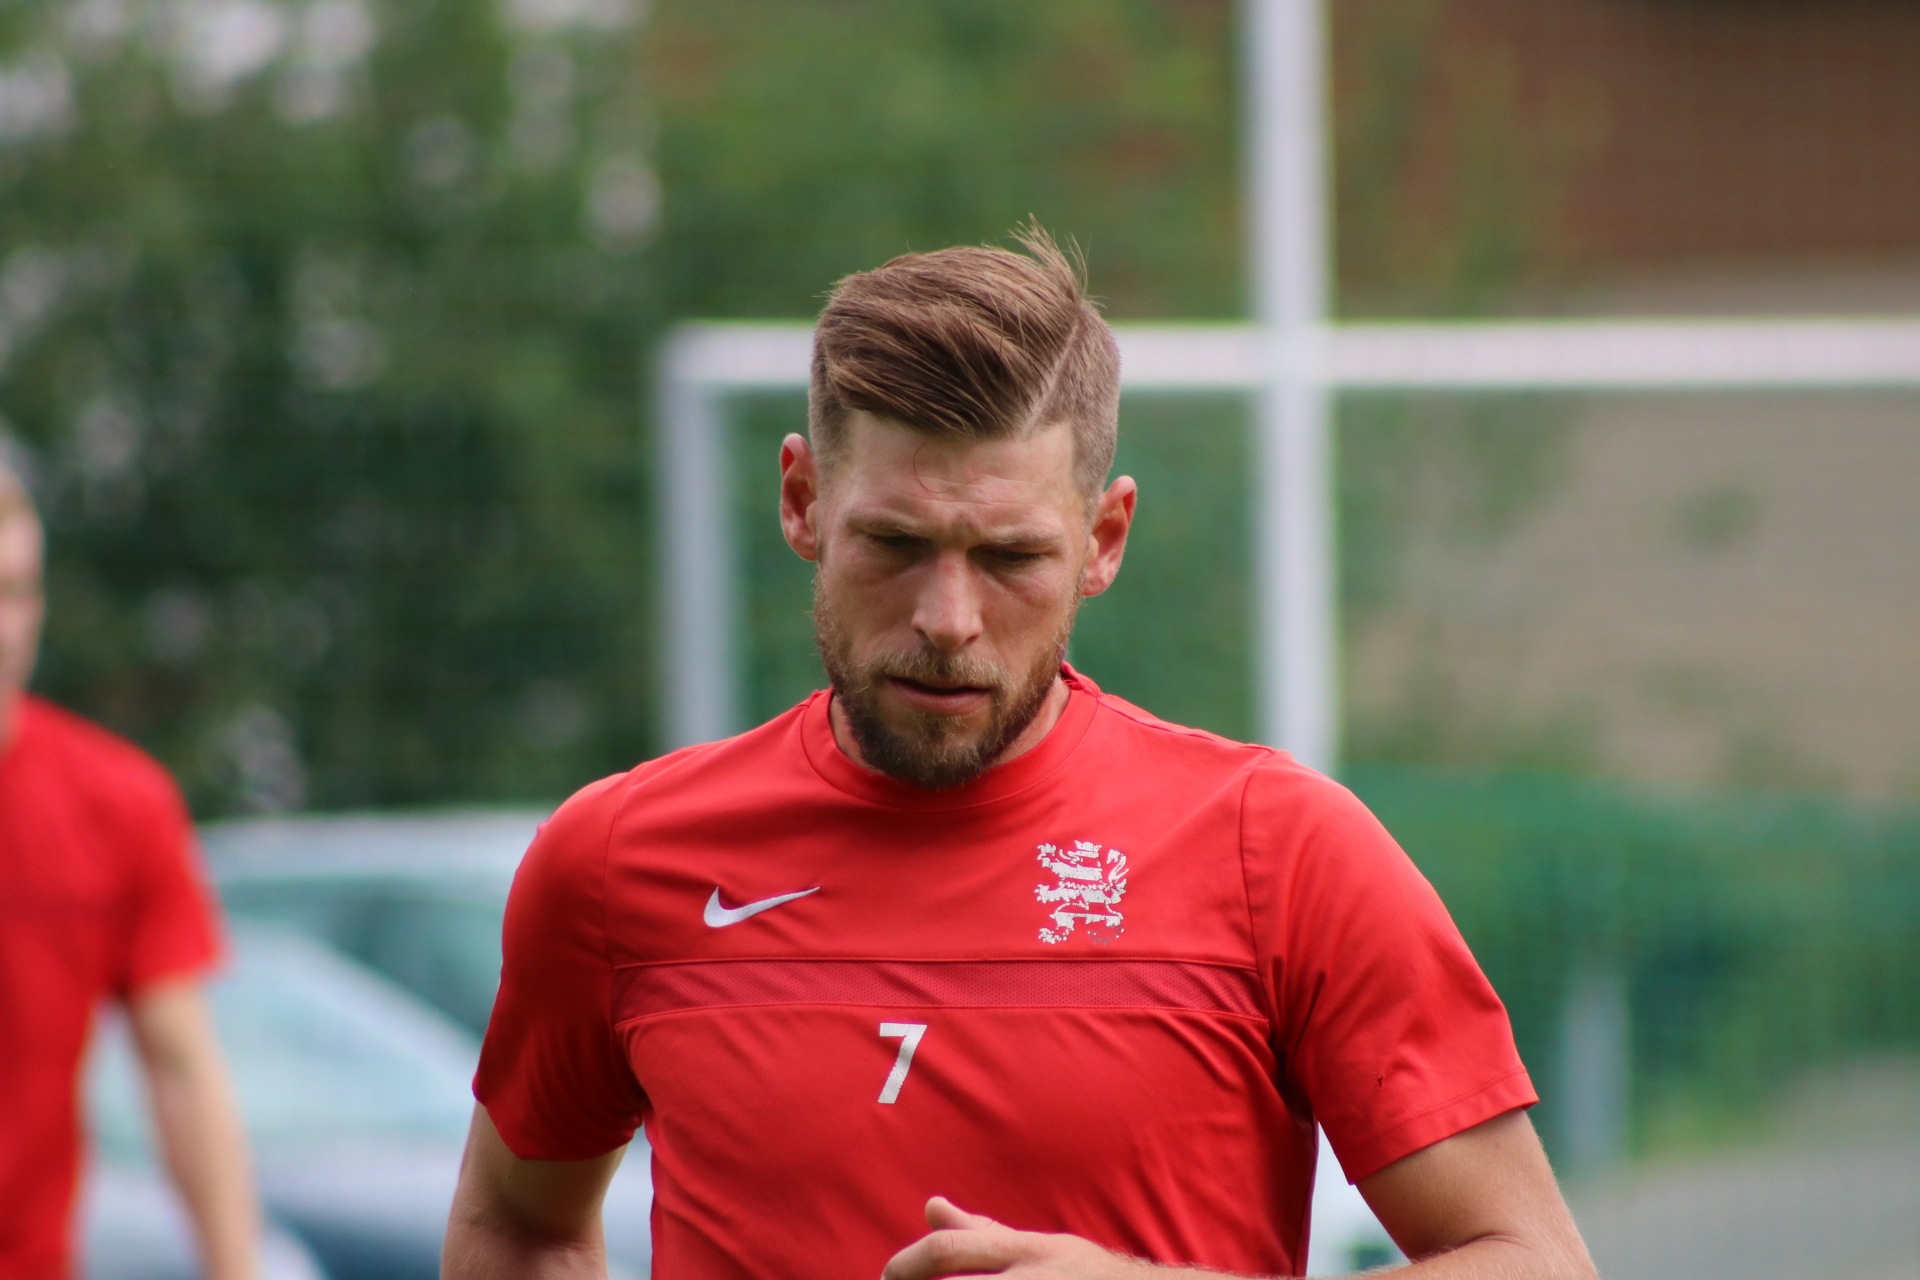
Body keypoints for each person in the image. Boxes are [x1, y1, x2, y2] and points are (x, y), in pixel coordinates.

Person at [445, 228, 1597, 1280]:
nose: (948, 618)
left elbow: (1535, 1262)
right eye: (895, 543)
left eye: (1009, 557)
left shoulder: (1279, 851)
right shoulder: (616, 860)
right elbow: (517, 1223)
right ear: (801, 501)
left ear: (1104, 538)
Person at [0, 459, 259, 1280]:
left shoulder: (117, 804)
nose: (3, 624)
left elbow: (180, 1068)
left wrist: (235, 1268)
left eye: (17, 591)